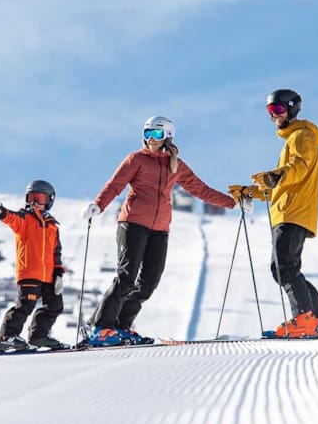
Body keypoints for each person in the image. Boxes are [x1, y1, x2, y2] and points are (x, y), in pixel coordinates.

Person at [83, 116, 236, 346]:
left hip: (160, 230)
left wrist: (232, 202)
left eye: (156, 134)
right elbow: (115, 184)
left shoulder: (176, 166)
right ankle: (100, 327)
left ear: (168, 136)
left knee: (148, 283)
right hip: (133, 224)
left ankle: (121, 327)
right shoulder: (136, 159)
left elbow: (201, 190)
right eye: (147, 134)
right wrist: (99, 204)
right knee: (126, 277)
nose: (151, 140)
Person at [238, 88, 318, 338]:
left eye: (278, 109)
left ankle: (304, 319)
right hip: (290, 210)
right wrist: (252, 192)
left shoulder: (302, 135)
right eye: (270, 110)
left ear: (292, 108)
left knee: (283, 268)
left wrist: (275, 176)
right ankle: (315, 320)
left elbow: (298, 167)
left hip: (293, 211)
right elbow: (283, 183)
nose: (274, 115)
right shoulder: (293, 139)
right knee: (288, 268)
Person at [0, 179, 65, 349]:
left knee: (55, 305)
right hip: (30, 273)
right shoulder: (25, 219)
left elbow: (56, 252)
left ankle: (39, 335)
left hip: (49, 276)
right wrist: (1, 212)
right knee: (25, 305)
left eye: (40, 198)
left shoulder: (52, 226)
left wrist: (58, 274)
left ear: (50, 200)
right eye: (31, 198)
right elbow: (11, 218)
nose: (35, 203)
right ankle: (8, 336)